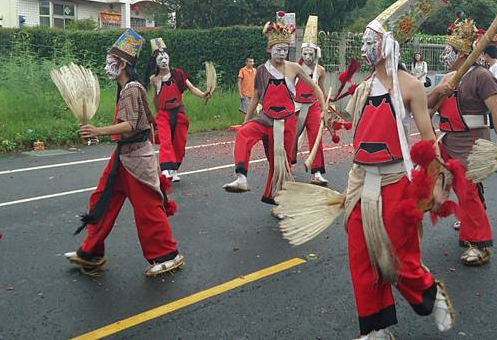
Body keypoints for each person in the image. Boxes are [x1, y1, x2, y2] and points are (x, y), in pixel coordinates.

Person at [344, 10, 454, 340]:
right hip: (360, 183)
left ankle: (432, 297)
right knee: (361, 260)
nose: (364, 47)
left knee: (399, 261)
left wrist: (437, 183)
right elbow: (356, 129)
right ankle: (376, 329)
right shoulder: (363, 88)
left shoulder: (411, 86)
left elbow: (426, 137)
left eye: (370, 41)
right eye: (362, 41)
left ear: (389, 43)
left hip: (395, 183)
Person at [65, 29, 183, 277]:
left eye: (111, 63)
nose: (107, 67)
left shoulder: (130, 88)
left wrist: (99, 129)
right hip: (123, 156)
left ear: (124, 65)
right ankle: (91, 252)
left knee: (147, 208)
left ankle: (168, 255)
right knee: (101, 201)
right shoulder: (128, 88)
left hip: (135, 159)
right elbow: (144, 120)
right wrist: (103, 132)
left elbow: (132, 125)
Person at [429, 18, 497, 266]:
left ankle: (480, 244)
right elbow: (428, 106)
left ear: (462, 53)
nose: (445, 55)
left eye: (448, 51)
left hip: (471, 145)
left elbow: (496, 111)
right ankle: (470, 220)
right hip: (446, 142)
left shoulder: (482, 76)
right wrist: (439, 91)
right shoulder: (449, 77)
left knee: (468, 192)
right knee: (455, 191)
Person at [223, 20, 327, 210]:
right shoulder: (262, 70)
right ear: (269, 49)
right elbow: (255, 97)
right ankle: (241, 177)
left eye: (285, 49)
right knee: (244, 134)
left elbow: (315, 87)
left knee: (279, 164)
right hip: (266, 119)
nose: (281, 53)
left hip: (287, 122)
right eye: (278, 49)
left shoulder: (294, 68)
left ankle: (278, 202)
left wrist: (324, 108)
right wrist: (245, 122)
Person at [145, 38, 212, 183]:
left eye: (165, 57)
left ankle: (174, 170)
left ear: (169, 58)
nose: (163, 60)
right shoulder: (154, 79)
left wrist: (203, 95)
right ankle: (165, 169)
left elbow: (191, 88)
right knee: (165, 141)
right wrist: (156, 116)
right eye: (160, 58)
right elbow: (155, 98)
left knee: (179, 143)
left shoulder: (178, 74)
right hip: (163, 114)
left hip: (179, 113)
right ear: (155, 61)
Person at [293, 15, 328, 185]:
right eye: (305, 53)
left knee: (316, 139)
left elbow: (321, 89)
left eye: (310, 53)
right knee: (290, 138)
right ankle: (286, 167)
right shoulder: (295, 68)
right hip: (297, 106)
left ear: (316, 53)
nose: (307, 56)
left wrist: (325, 108)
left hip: (313, 107)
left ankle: (317, 172)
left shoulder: (320, 70)